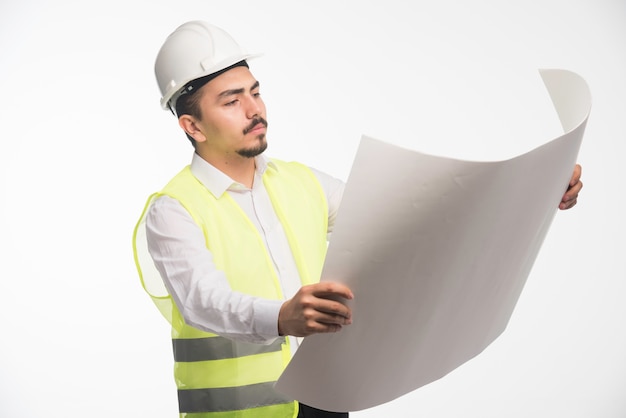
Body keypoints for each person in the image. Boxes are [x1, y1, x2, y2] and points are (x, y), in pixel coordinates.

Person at [133, 20, 583, 418]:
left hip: (326, 399)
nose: (255, 111)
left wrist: (539, 191)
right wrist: (283, 316)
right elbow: (201, 300)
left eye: (255, 92)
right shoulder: (174, 209)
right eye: (232, 101)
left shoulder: (302, 183)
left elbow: (409, 227)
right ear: (193, 126)